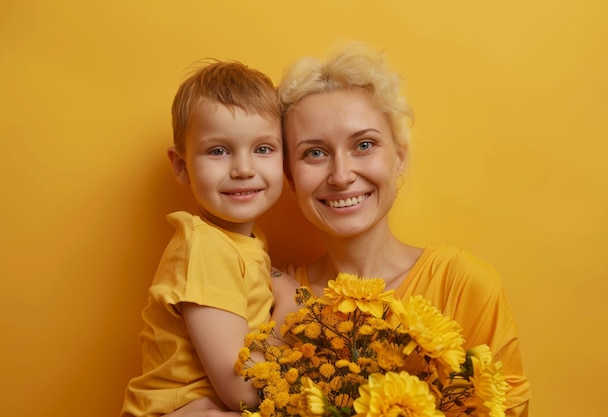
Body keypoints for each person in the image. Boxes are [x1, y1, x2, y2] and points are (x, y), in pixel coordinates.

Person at [165, 41, 531, 417]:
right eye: (315, 153)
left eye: (365, 144)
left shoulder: (465, 285)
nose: (341, 176)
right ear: (289, 174)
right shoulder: (272, 297)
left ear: (399, 157)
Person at [120, 60, 297, 417]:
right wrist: (290, 311)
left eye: (263, 149)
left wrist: (277, 279)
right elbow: (243, 391)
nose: (244, 169)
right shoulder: (205, 246)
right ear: (182, 165)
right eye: (218, 151)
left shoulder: (240, 241)